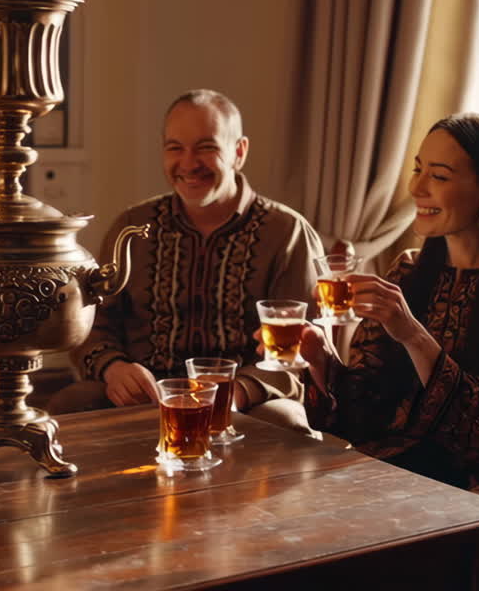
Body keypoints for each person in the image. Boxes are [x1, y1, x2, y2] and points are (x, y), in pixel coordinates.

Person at [298, 114, 479, 557]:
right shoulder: (407, 270)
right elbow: (366, 412)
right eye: (418, 169)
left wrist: (413, 335)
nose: (416, 188)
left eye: (438, 175)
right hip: (406, 461)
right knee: (299, 513)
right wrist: (323, 362)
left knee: (388, 537)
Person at [53, 89, 324, 432]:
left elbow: (302, 348)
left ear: (239, 152)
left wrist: (234, 394)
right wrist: (114, 369)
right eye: (175, 148)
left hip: (247, 401)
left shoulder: (287, 233)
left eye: (206, 147)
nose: (189, 163)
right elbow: (93, 321)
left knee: (287, 425)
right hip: (146, 397)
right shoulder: (132, 225)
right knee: (70, 405)